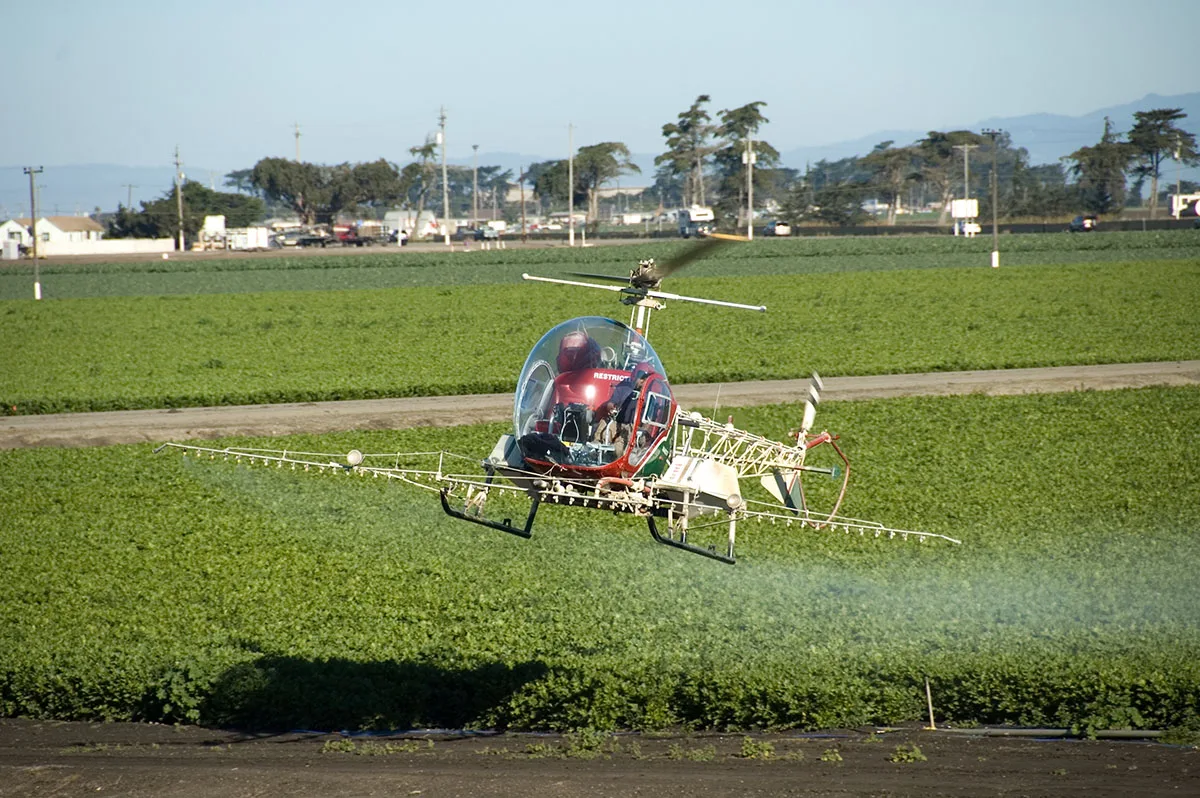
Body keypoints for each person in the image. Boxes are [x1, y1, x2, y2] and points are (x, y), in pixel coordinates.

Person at [593, 370, 648, 459]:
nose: (642, 382)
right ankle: (595, 447)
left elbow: (649, 419)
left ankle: (618, 459)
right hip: (617, 422)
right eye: (640, 379)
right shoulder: (623, 389)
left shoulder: (648, 396)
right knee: (605, 424)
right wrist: (611, 407)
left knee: (619, 447)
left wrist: (642, 430)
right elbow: (611, 402)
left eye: (644, 380)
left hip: (632, 427)